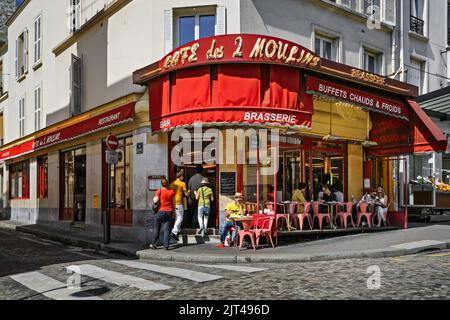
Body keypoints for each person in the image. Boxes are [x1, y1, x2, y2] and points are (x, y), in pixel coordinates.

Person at [150, 179, 175, 250]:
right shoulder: (172, 192)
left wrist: (155, 199)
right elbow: (173, 203)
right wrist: (174, 213)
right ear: (167, 184)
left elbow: (156, 200)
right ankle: (166, 246)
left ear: (161, 184)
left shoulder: (159, 191)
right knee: (167, 229)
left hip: (161, 211)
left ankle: (154, 244)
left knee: (157, 229)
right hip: (169, 211)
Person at [170, 171, 190, 242]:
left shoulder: (172, 183)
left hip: (173, 202)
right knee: (180, 218)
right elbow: (186, 194)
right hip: (179, 202)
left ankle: (176, 232)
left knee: (177, 217)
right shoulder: (183, 183)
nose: (183, 177)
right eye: (183, 176)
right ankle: (174, 232)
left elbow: (170, 193)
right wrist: (189, 191)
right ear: (180, 176)